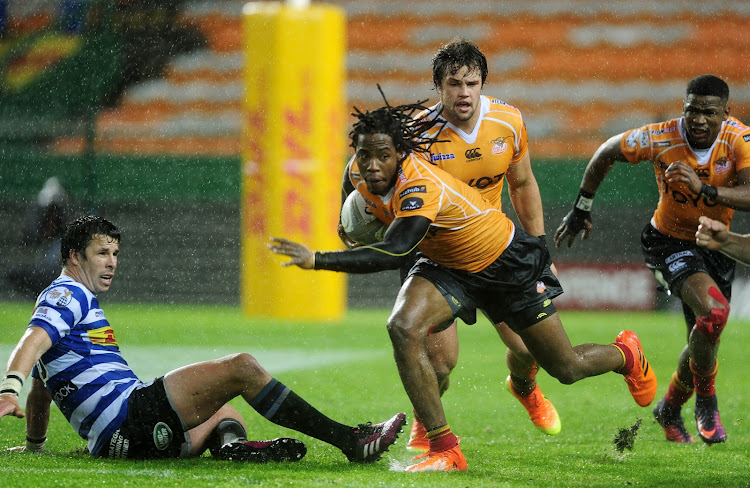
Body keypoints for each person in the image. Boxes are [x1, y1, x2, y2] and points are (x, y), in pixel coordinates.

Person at [269, 96, 657, 472]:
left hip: (503, 261)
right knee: (403, 327)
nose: (372, 165)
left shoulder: (419, 184)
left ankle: (625, 353)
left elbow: (394, 250)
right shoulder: (357, 170)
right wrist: (347, 230)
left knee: (565, 367)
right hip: (446, 264)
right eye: (365, 154)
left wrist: (318, 259)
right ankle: (444, 447)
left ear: (401, 154)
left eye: (383, 156)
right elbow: (353, 199)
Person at [0, 215, 406, 462]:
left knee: (228, 416)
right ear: (74, 256)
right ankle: (350, 441)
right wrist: (7, 390)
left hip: (119, 442)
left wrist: (35, 445)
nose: (112, 263)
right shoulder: (67, 295)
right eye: (103, 253)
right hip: (132, 417)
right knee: (242, 368)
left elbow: (44, 386)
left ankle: (232, 447)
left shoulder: (66, 300)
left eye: (116, 254)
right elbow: (32, 341)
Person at [338, 38, 561, 450]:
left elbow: (523, 183)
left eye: (471, 83)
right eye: (454, 83)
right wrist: (346, 220)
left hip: (491, 247)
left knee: (531, 349)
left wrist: (541, 246)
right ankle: (431, 427)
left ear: (482, 85)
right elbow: (358, 167)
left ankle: (524, 385)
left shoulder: (508, 122)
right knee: (439, 361)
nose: (463, 92)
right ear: (437, 86)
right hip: (431, 254)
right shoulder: (414, 134)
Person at [553, 74, 750, 444]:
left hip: (716, 244)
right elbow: (607, 150)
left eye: (708, 112)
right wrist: (582, 205)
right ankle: (707, 401)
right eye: (691, 110)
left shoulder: (739, 139)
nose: (698, 119)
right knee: (715, 314)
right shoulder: (660, 136)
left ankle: (670, 409)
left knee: (705, 338)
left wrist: (703, 188)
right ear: (683, 109)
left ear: (726, 112)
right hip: (669, 243)